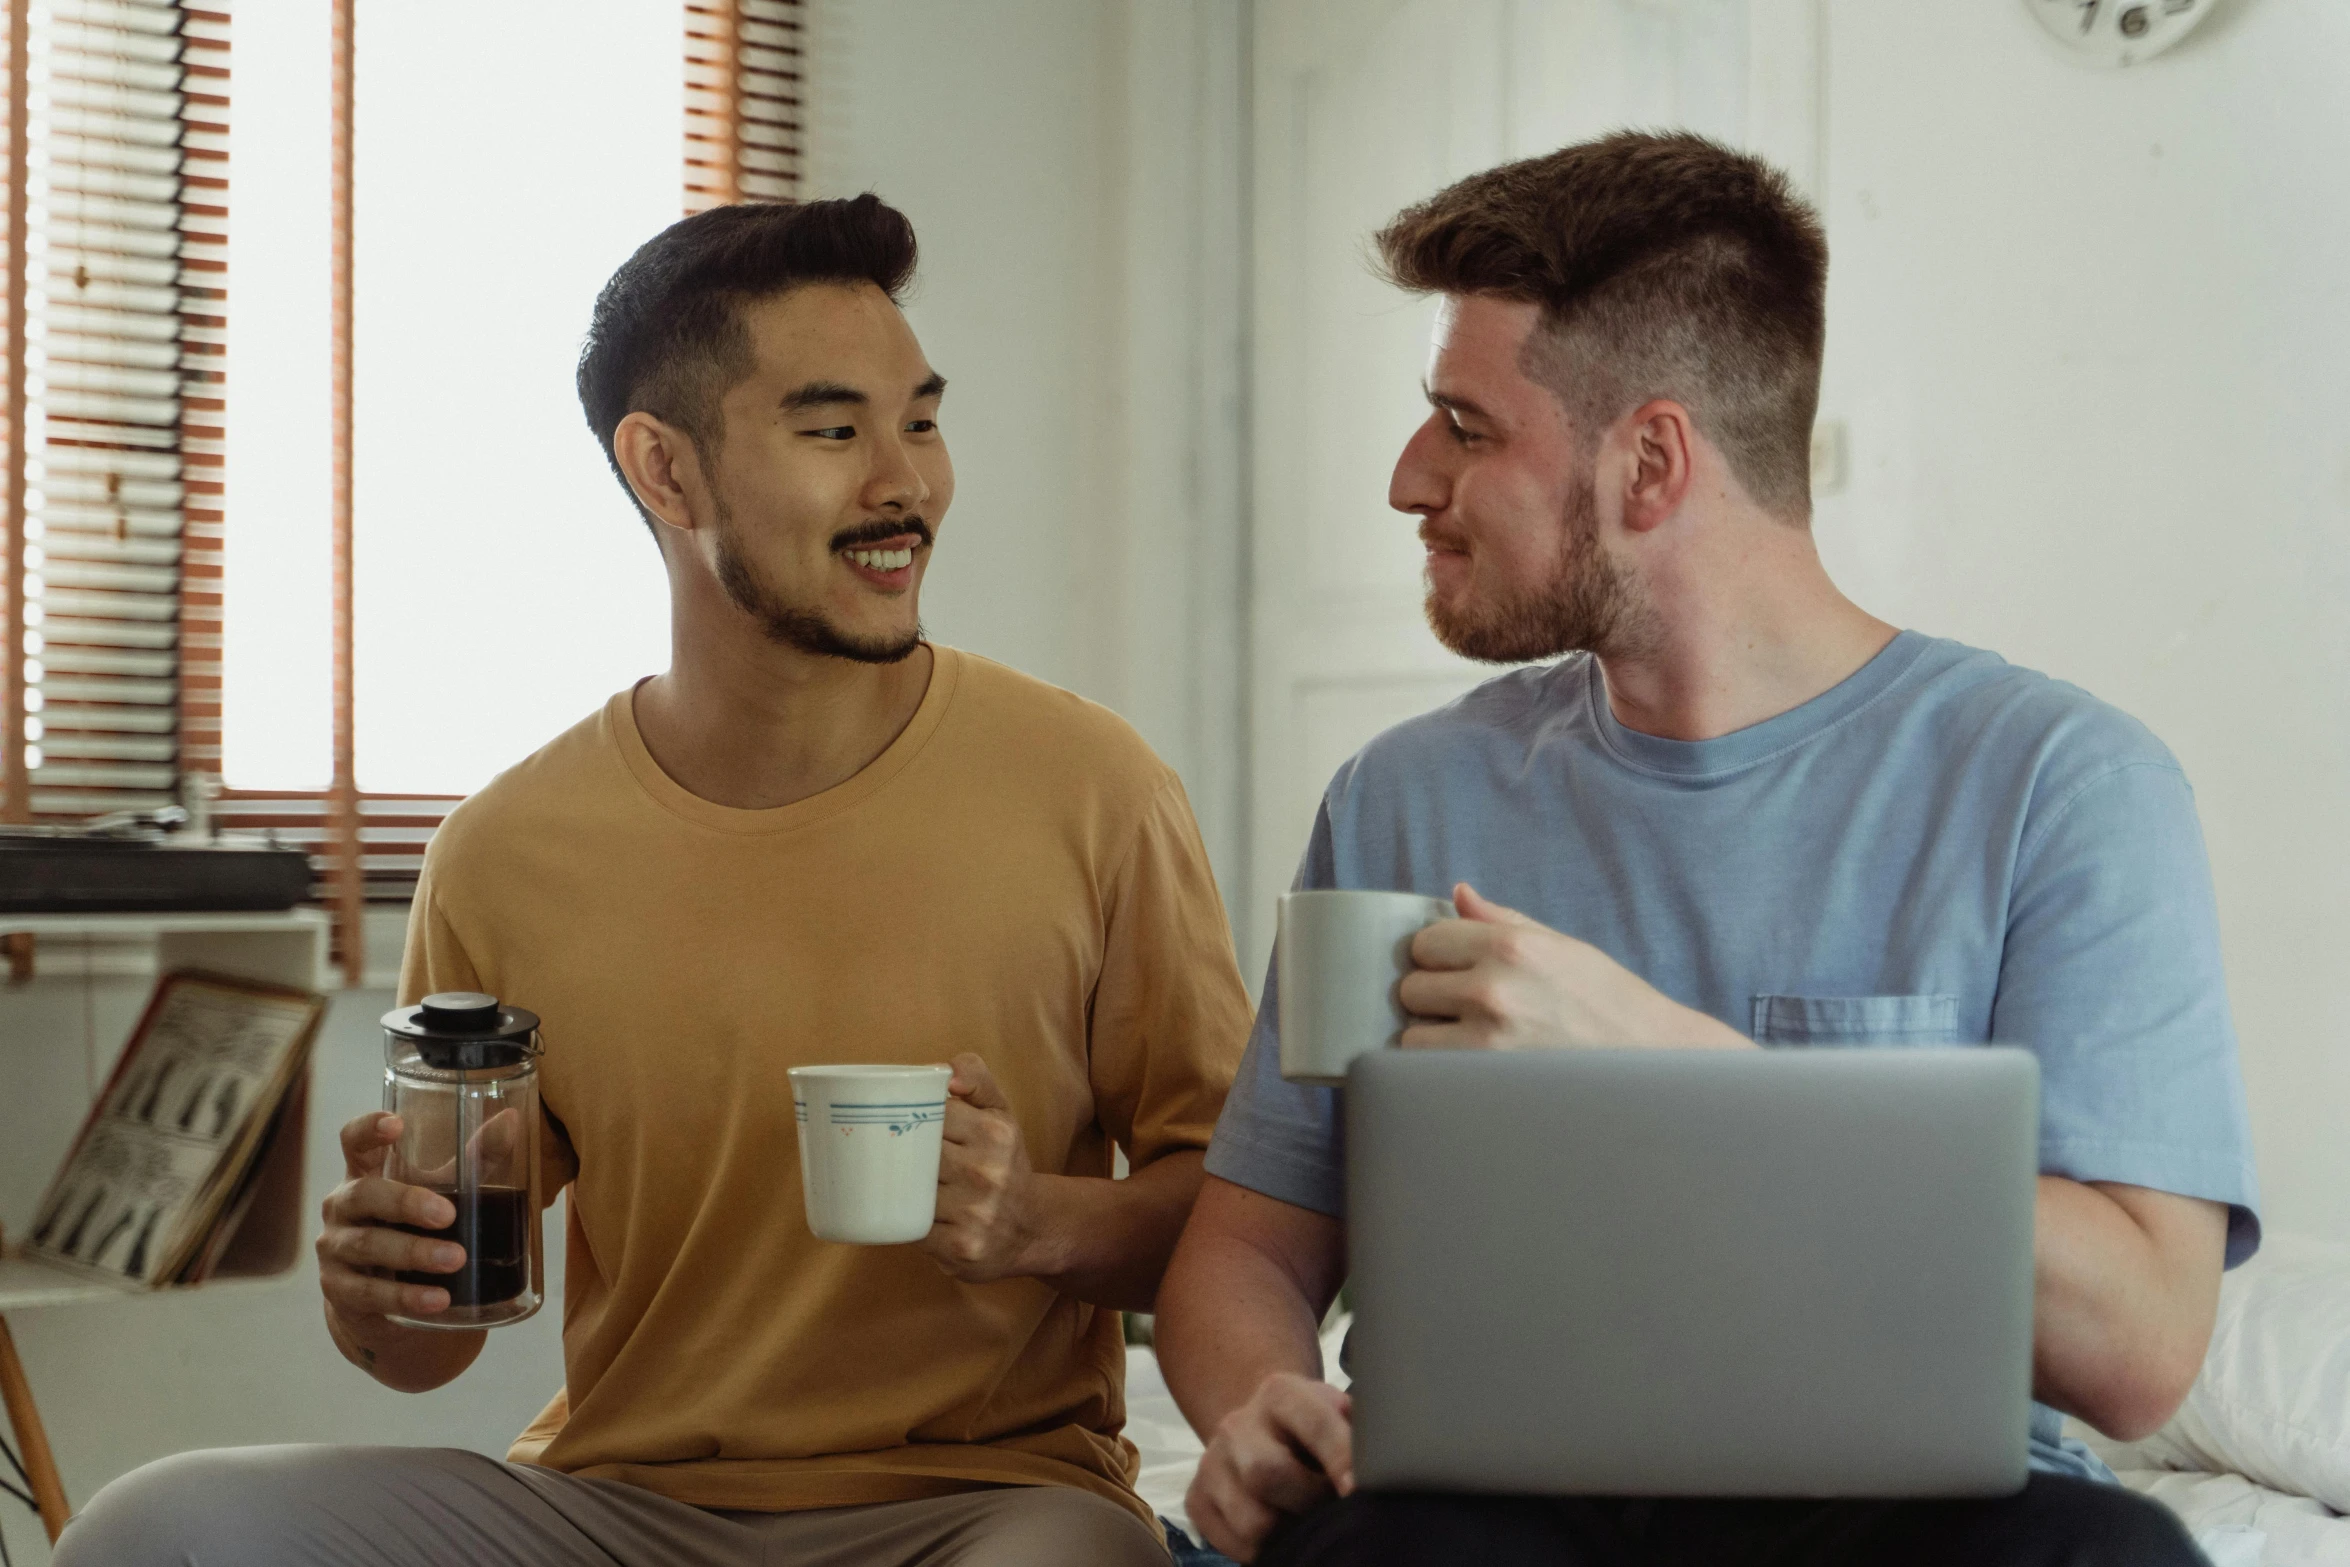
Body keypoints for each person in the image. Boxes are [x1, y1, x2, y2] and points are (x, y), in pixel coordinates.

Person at [58, 196, 1251, 1567]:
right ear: (666, 473)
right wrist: (381, 1288)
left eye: (918, 419)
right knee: (155, 1529)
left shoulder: (1092, 787)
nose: (905, 483)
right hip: (617, 1507)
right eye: (832, 429)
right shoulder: (505, 849)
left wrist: (1040, 1221)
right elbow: (427, 1349)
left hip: (987, 1502)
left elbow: (1233, 1214)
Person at [1152, 131, 2258, 1567]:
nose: (1406, 479)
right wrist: (1259, 1406)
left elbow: (2140, 1345)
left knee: (2113, 1562)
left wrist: (1660, 1055)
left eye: (1465, 427)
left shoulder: (2061, 785)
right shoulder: (1403, 796)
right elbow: (1244, 1248)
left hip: (1906, 1509)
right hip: (1477, 1502)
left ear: (1651, 461)